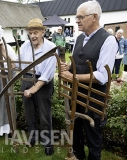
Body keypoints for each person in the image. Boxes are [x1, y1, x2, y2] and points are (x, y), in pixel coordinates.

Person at [60, 1, 118, 160]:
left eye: (80, 17)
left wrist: (73, 77)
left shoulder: (108, 40)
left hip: (94, 98)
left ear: (94, 17)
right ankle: (77, 156)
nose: (76, 20)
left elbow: (102, 76)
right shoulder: (79, 38)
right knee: (76, 130)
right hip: (75, 95)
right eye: (76, 17)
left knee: (93, 136)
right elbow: (78, 63)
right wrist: (68, 67)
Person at [15, 18, 56, 156]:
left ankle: (47, 143)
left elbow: (47, 74)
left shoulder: (50, 48)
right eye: (30, 33)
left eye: (36, 32)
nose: (33, 36)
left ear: (43, 32)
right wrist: (4, 52)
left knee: (45, 115)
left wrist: (34, 89)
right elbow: (18, 65)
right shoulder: (25, 46)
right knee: (29, 113)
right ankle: (32, 138)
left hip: (43, 84)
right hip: (27, 79)